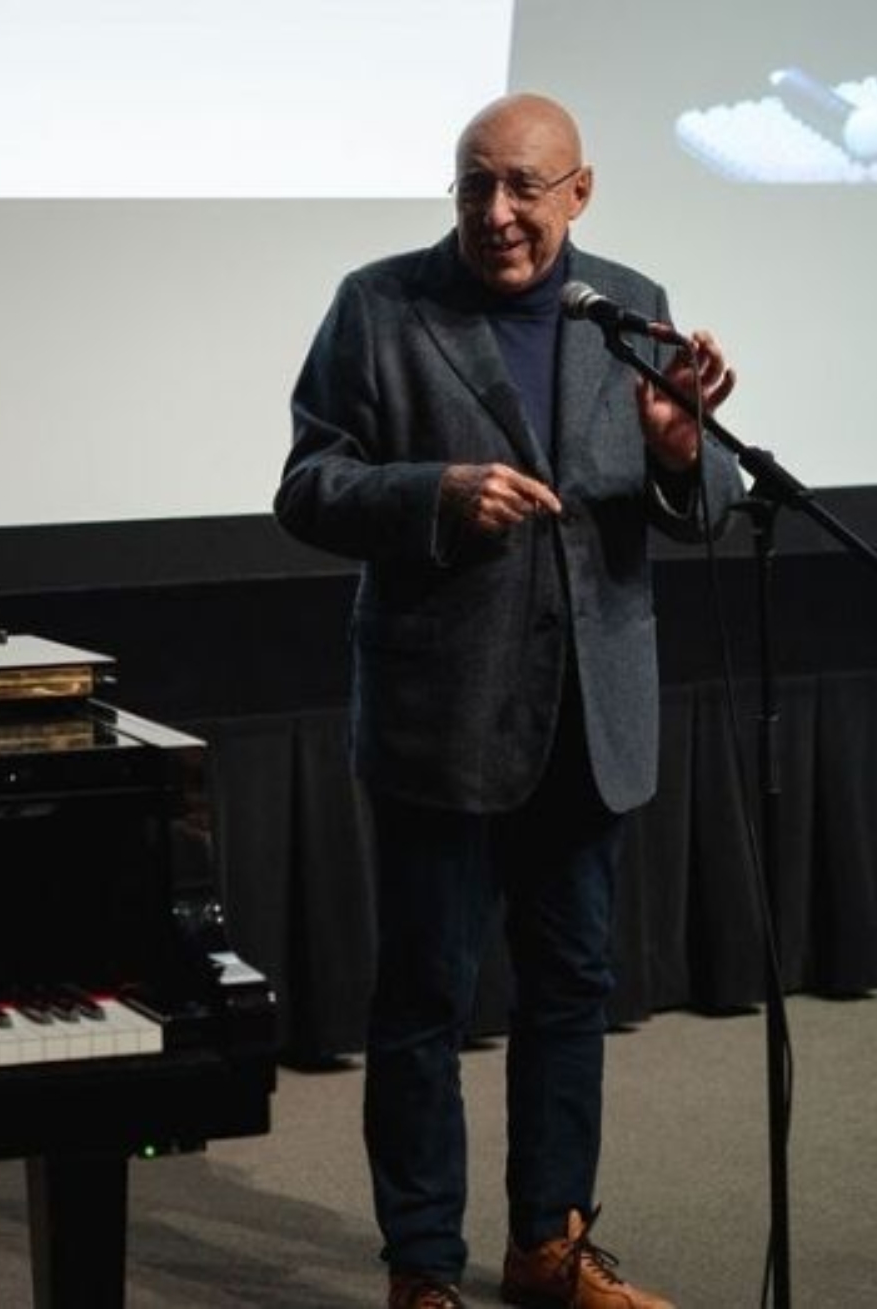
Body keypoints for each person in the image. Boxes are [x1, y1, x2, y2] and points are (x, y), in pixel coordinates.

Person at [274, 95, 744, 1309]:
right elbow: (309, 484)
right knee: (424, 1000)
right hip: (444, 715)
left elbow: (708, 496)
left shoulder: (628, 304)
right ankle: (422, 1267)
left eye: (523, 188)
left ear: (578, 193)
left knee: (571, 992)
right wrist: (433, 493)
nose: (495, 214)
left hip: (590, 717)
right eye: (474, 185)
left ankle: (550, 1244)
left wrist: (684, 450)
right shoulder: (379, 304)